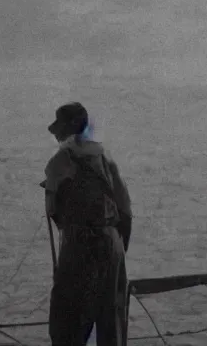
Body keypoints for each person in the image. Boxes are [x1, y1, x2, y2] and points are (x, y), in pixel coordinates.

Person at [41, 102, 133, 346]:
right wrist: (120, 247)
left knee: (67, 322)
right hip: (112, 244)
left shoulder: (60, 160)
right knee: (111, 321)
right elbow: (125, 208)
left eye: (58, 127)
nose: (55, 133)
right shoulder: (104, 156)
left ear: (70, 126)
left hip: (80, 244)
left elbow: (53, 210)